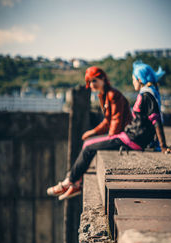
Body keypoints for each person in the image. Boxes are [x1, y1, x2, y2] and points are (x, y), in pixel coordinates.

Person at [47, 66, 132, 199]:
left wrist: (109, 139)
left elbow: (116, 120)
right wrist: (92, 132)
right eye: (89, 81)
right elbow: (107, 121)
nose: (91, 84)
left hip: (124, 137)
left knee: (88, 146)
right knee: (88, 143)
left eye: (94, 81)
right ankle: (75, 182)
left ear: (103, 78)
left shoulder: (113, 94)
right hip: (119, 135)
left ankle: (70, 182)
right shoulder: (103, 95)